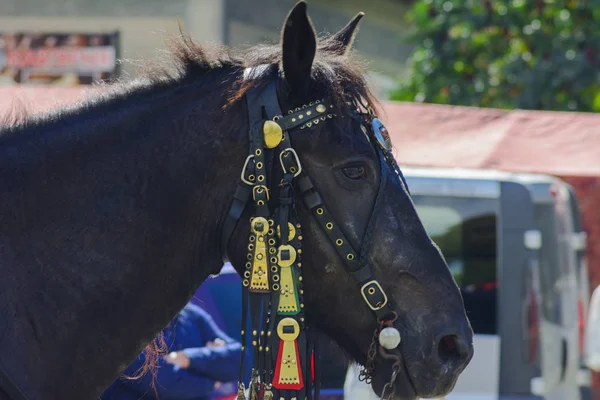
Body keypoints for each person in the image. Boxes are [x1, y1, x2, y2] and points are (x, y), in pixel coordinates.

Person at [101, 301, 242, 400]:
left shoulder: (193, 315)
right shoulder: (128, 324)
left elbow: (240, 360)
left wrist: (189, 358)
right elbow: (162, 384)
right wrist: (212, 382)